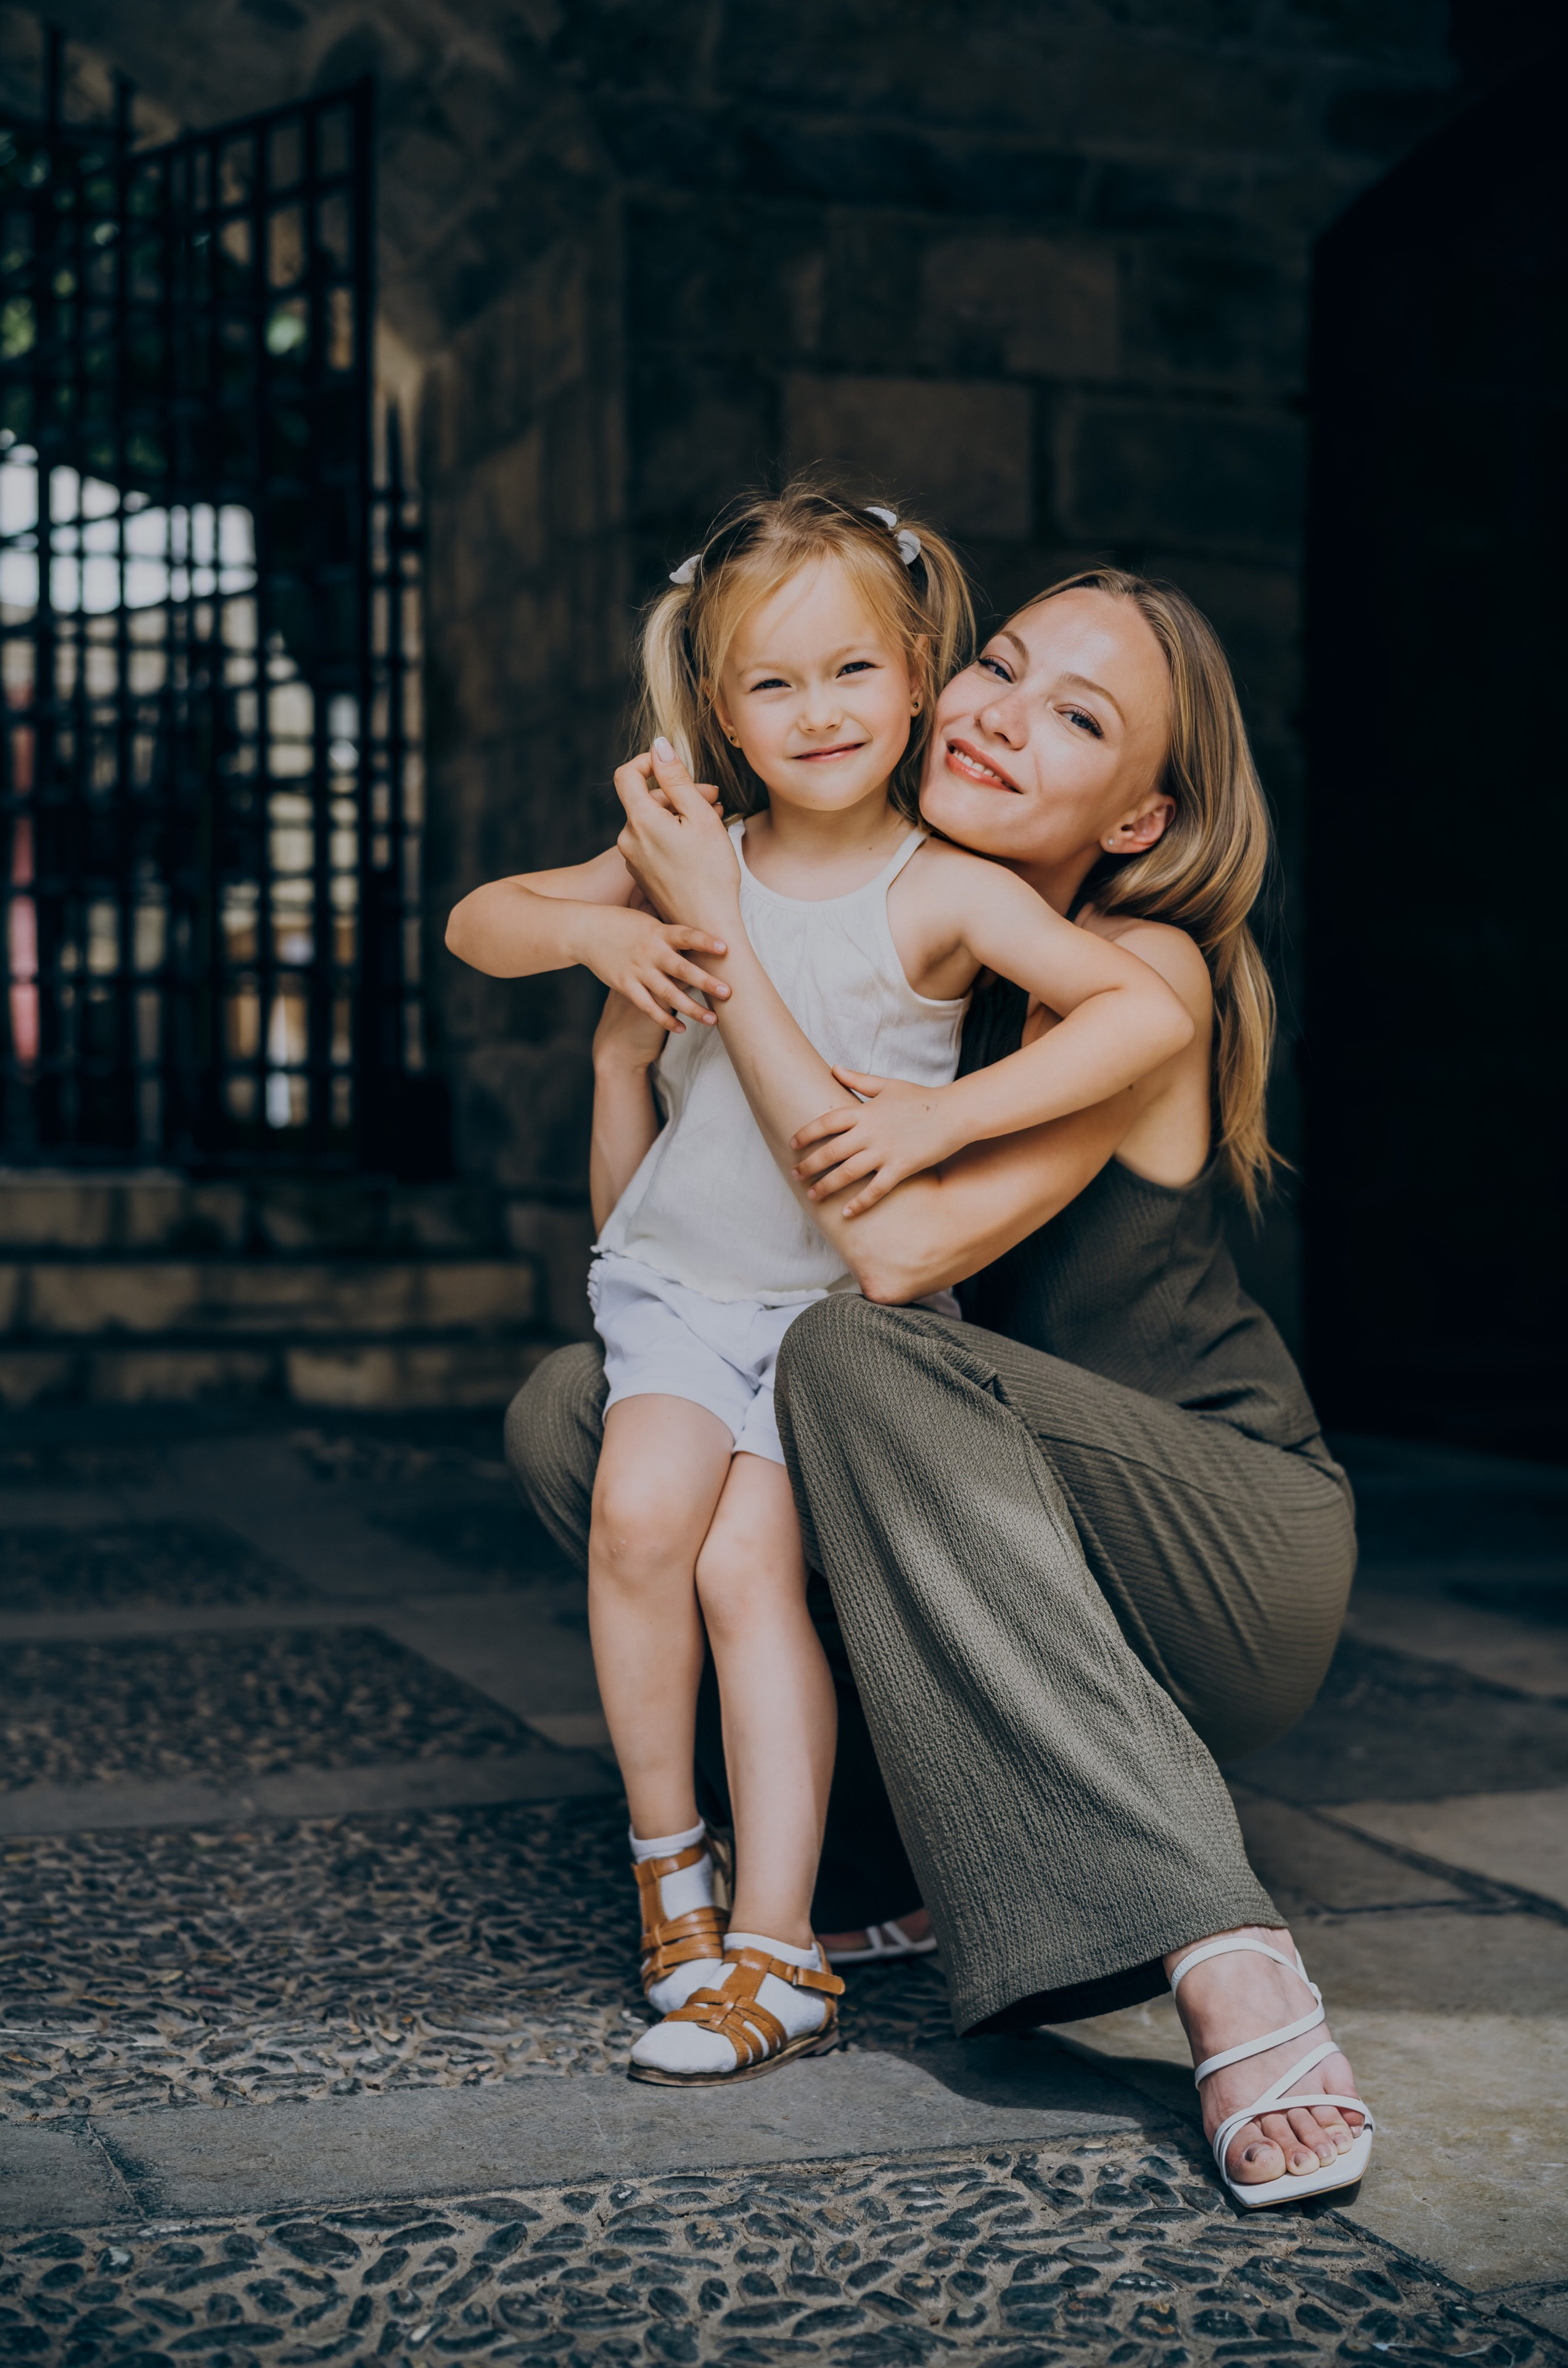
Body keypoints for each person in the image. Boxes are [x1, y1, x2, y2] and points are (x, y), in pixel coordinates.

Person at [506, 562, 1375, 2205]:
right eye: (1002, 664)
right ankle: (888, 1844)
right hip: (979, 1484)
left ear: (1134, 819)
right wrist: (648, 955)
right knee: (594, 1409)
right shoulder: (891, 921)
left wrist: (724, 939)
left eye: (1079, 717)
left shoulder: (1146, 978)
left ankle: (1223, 1947)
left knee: (850, 1343)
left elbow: (891, 1258)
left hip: (1220, 1543)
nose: (1000, 713)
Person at [447, 490, 1193, 2088]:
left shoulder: (943, 891)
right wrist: (595, 934)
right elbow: (475, 923)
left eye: (851, 672)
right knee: (643, 1522)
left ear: (917, 675)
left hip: (829, 1329)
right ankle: (676, 1881)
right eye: (771, 686)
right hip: (677, 1289)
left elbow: (1138, 1017)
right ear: (719, 710)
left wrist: (946, 1112)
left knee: (744, 1579)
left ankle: (781, 1956)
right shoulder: (691, 845)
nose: (818, 714)